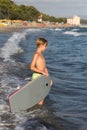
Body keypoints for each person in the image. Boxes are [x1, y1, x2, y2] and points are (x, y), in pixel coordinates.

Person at [30, 37, 52, 106]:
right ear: (41, 45)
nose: (46, 48)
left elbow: (44, 67)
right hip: (37, 77)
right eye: (45, 46)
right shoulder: (36, 54)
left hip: (42, 77)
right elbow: (31, 67)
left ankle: (37, 110)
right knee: (40, 97)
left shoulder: (41, 55)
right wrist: (42, 72)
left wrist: (48, 78)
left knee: (41, 97)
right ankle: (36, 111)